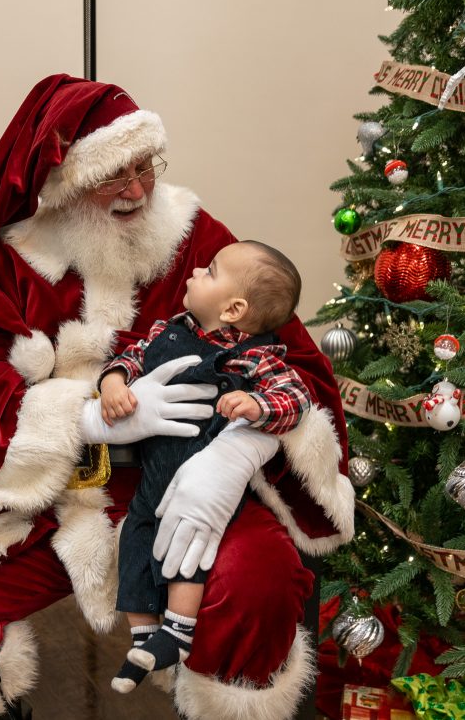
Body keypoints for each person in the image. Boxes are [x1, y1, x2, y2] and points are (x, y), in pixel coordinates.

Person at [0, 75, 355, 720]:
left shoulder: (197, 239)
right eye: (112, 175)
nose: (135, 189)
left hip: (190, 490)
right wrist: (87, 421)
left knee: (259, 582)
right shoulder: (13, 261)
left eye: (144, 167)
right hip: (47, 498)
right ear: (65, 182)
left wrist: (233, 458)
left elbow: (297, 368)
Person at [100, 240, 313, 693]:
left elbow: (298, 398)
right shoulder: (165, 331)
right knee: (136, 541)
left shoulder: (256, 356)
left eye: (210, 271)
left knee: (190, 548)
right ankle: (143, 638)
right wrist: (114, 382)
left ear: (234, 309)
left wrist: (256, 403)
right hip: (154, 474)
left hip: (204, 481)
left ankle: (177, 630)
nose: (195, 270)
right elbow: (130, 357)